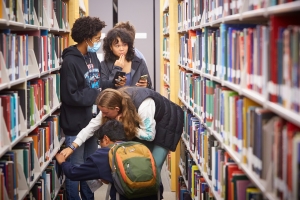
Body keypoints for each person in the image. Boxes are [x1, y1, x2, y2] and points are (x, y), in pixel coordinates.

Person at [60, 87, 184, 199]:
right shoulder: (111, 104)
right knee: (133, 161)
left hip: (166, 125)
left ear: (117, 109)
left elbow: (149, 135)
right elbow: (91, 127)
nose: (103, 115)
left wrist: (126, 124)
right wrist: (72, 146)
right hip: (140, 125)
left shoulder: (144, 105)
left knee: (150, 169)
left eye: (105, 113)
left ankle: (155, 196)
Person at [59, 16, 112, 200]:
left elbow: (95, 83)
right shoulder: (70, 62)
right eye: (97, 38)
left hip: (92, 122)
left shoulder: (92, 56)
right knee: (76, 169)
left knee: (90, 168)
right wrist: (97, 94)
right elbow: (70, 95)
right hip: (75, 124)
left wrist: (111, 83)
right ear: (86, 38)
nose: (98, 42)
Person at [55, 120, 158, 200]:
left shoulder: (104, 154)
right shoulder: (139, 147)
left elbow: (73, 173)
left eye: (100, 142)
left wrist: (62, 162)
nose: (100, 145)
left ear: (106, 139)